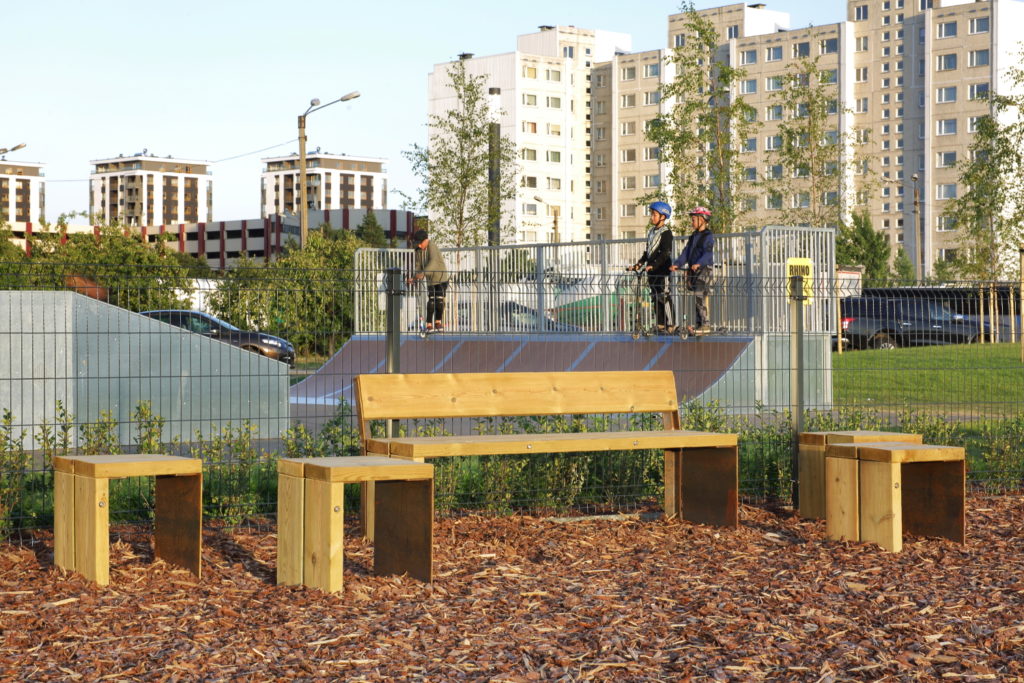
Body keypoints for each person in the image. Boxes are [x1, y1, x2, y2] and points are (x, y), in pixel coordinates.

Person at [629, 201, 676, 334]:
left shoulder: (666, 233)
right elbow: (648, 252)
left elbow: (665, 253)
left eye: (654, 214)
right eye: (651, 214)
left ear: (663, 216)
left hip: (662, 270)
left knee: (664, 296)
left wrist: (653, 265)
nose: (652, 217)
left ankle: (671, 324)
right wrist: (639, 264)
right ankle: (660, 324)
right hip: (652, 271)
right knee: (655, 297)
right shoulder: (651, 232)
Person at [671, 206, 714, 334]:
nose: (692, 222)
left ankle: (705, 324)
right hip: (694, 270)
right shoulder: (693, 236)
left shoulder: (708, 236)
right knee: (696, 296)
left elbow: (708, 253)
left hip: (704, 269)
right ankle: (699, 324)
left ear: (702, 219)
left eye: (694, 219)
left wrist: (699, 263)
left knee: (700, 295)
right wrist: (677, 264)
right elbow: (686, 252)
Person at [408, 228, 450, 332]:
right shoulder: (418, 250)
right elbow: (418, 265)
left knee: (439, 301)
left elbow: (433, 263)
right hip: (430, 280)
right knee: (431, 301)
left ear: (426, 240)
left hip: (441, 278)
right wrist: (414, 277)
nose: (419, 245)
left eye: (420, 243)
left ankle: (438, 322)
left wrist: (423, 273)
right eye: (417, 243)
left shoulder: (432, 246)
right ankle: (429, 324)